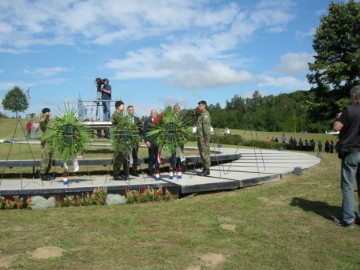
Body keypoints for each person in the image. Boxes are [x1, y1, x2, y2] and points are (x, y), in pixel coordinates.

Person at [333, 85, 360, 228]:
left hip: (352, 151)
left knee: (348, 186)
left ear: (355, 97)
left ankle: (348, 219)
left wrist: (340, 117)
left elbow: (336, 127)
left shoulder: (349, 109)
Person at [123, 105, 141, 177]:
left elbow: (140, 130)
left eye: (133, 110)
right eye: (130, 110)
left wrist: (139, 140)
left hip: (135, 141)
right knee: (126, 156)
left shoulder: (137, 119)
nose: (132, 111)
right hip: (127, 141)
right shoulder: (124, 119)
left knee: (135, 155)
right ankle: (126, 172)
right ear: (127, 110)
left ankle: (134, 171)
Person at [111, 100, 127, 180]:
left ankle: (117, 173)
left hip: (121, 137)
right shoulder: (117, 115)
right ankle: (116, 174)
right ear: (118, 106)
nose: (123, 107)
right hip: (118, 138)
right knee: (118, 156)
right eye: (122, 105)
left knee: (121, 156)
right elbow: (123, 124)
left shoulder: (120, 114)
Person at [196, 100, 211, 176]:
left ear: (204, 106)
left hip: (203, 138)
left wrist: (206, 138)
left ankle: (207, 169)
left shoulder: (205, 115)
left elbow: (206, 128)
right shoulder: (201, 114)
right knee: (202, 153)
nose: (199, 107)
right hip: (200, 137)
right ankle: (205, 168)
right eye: (199, 106)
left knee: (205, 153)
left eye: (200, 106)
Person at [170, 104, 186, 172]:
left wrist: (185, 137)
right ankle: (173, 167)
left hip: (180, 138)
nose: (177, 109)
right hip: (173, 138)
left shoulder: (183, 117)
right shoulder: (171, 117)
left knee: (181, 152)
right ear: (174, 109)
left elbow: (185, 127)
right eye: (175, 108)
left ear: (180, 109)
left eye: (178, 108)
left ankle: (180, 167)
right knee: (173, 154)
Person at [143, 109, 160, 177]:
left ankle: (157, 170)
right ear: (151, 113)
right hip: (150, 142)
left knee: (157, 157)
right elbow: (144, 132)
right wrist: (146, 141)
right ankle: (150, 171)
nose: (154, 114)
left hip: (158, 142)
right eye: (153, 113)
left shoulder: (159, 121)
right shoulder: (147, 121)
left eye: (155, 113)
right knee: (151, 157)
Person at [39, 108, 54, 180]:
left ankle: (47, 173)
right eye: (49, 112)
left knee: (50, 159)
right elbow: (41, 121)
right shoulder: (43, 121)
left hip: (50, 142)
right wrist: (45, 115)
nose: (50, 113)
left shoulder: (49, 121)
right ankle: (43, 174)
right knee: (45, 158)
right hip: (46, 142)